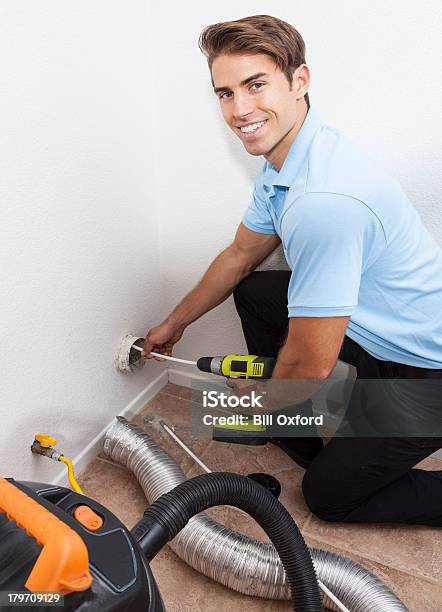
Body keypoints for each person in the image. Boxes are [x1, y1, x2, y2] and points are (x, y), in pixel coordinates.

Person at [143, 15, 442, 526]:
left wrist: (266, 399)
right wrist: (175, 323)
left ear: (300, 82)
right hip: (375, 329)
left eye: (256, 85)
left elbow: (309, 364)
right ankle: (296, 421)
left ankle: (290, 415)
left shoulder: (323, 201)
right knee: (257, 291)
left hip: (427, 372)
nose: (240, 110)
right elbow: (240, 256)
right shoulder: (289, 159)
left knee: (327, 497)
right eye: (225, 93)